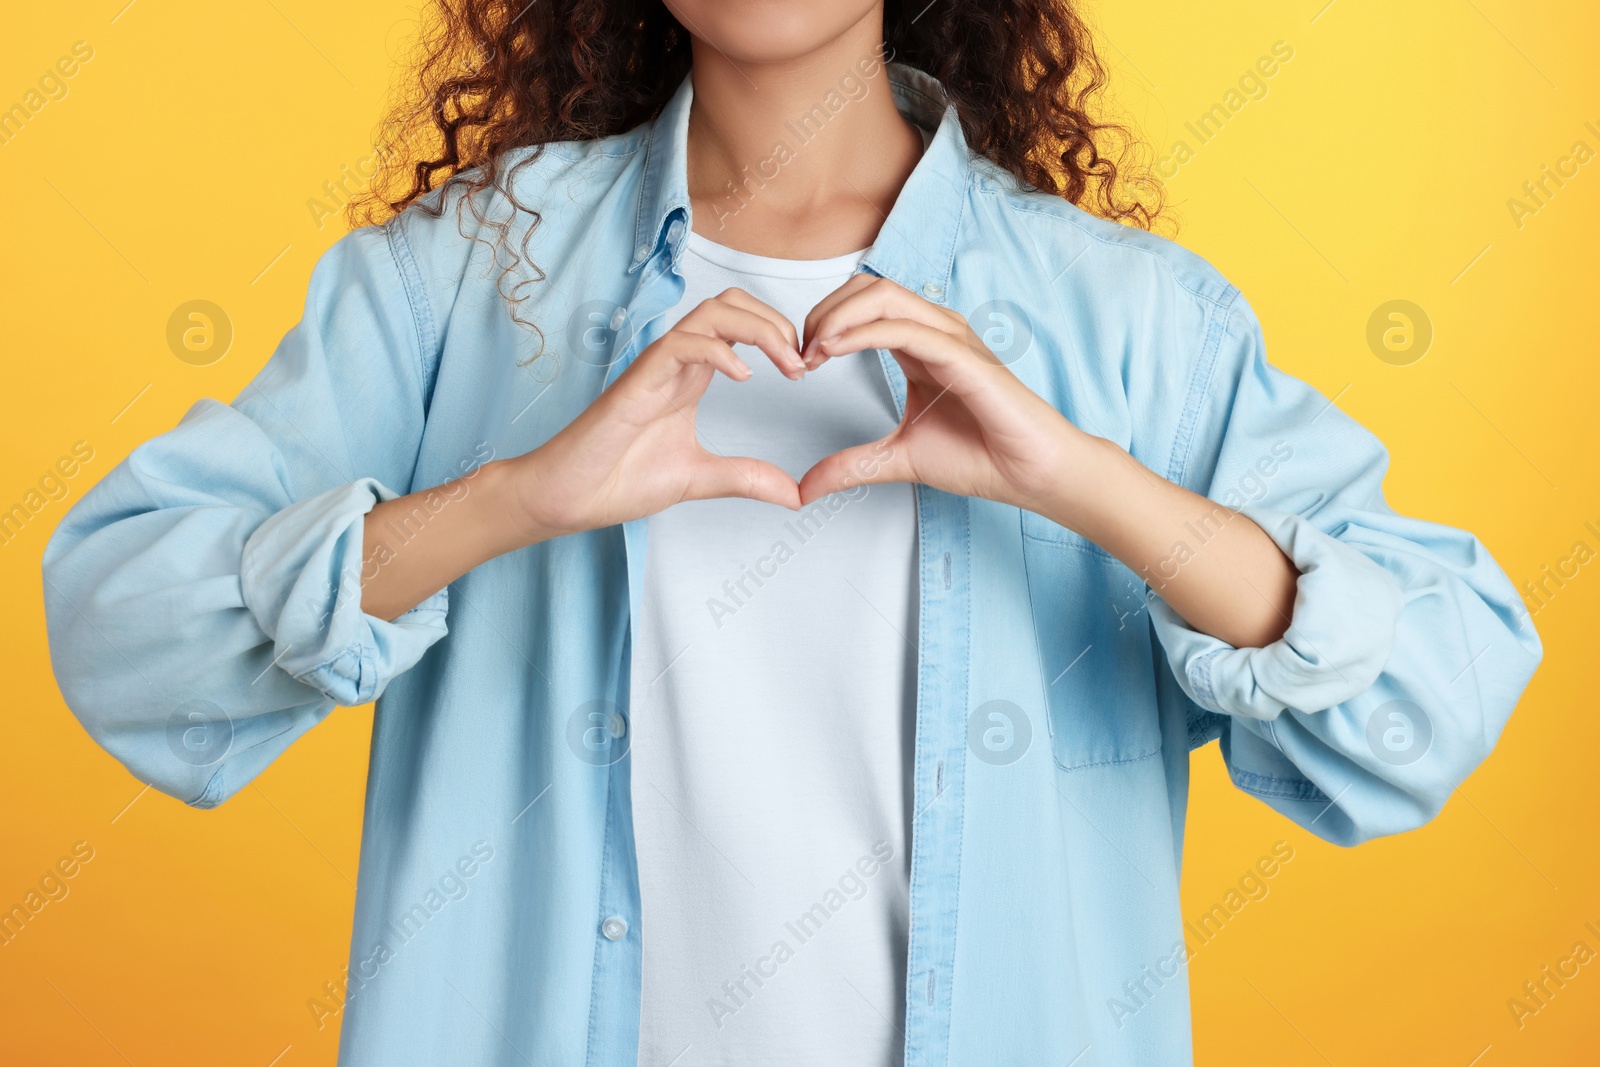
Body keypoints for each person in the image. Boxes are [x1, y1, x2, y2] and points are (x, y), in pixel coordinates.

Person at [41, 1, 1541, 1064]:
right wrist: (515, 498)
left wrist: (1084, 481)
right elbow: (121, 622)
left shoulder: (1128, 318)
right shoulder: (462, 286)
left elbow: (1434, 692)